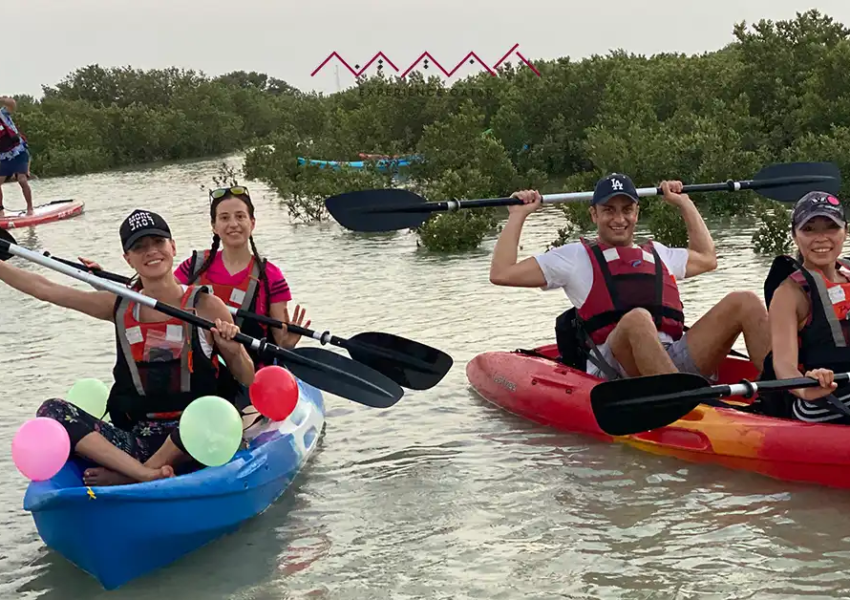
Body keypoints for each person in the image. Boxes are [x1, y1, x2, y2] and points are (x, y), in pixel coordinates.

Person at [0, 209, 256, 486]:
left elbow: (247, 378)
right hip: (140, 440)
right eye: (139, 247)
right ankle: (142, 474)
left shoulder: (206, 306)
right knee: (53, 410)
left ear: (173, 247)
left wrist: (231, 349)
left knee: (211, 411)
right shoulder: (119, 305)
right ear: (128, 259)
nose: (151, 252)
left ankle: (129, 475)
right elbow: (47, 289)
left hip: (198, 439)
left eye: (158, 243)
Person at [489, 173, 770, 380]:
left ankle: (782, 393)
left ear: (637, 212)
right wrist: (518, 215)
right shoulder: (573, 257)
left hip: (672, 356)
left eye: (626, 210)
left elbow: (708, 258)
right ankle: (678, 398)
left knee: (744, 300)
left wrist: (684, 203)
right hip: (618, 368)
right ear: (593, 214)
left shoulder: (658, 253)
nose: (618, 219)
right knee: (637, 318)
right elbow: (502, 273)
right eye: (608, 210)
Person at [760, 191, 850, 423]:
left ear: (845, 231)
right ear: (794, 235)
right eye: (809, 229)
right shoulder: (789, 294)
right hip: (820, 399)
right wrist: (806, 387)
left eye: (831, 227)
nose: (821, 238)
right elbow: (784, 364)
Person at [0, 96, 33, 215]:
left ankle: (30, 208)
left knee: (22, 180)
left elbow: (12, 104)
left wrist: (2, 99)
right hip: (4, 156)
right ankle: (1, 211)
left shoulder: (2, 114)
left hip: (18, 151)